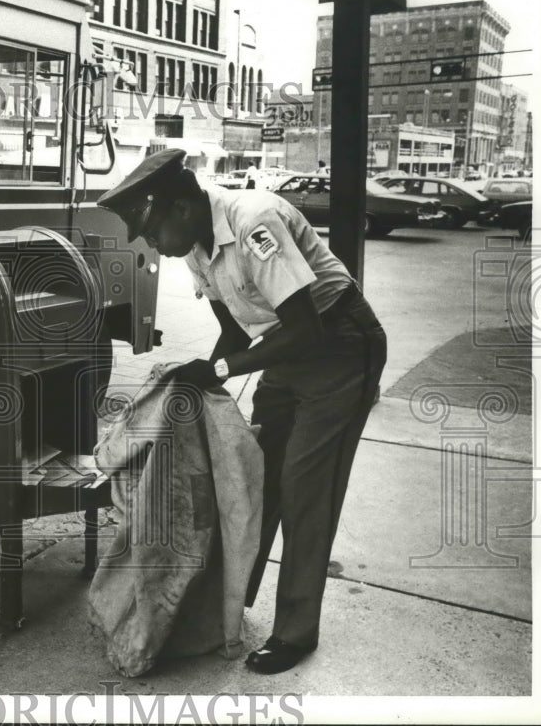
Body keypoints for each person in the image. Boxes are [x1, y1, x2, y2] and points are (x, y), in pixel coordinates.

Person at [97, 148, 387, 674]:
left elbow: (306, 328)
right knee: (254, 478)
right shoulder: (195, 244)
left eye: (152, 231)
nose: (153, 247)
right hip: (287, 348)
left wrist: (225, 373)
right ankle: (228, 608)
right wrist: (200, 382)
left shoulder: (254, 220)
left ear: (182, 208)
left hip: (340, 344)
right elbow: (234, 331)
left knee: (305, 490)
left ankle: (296, 632)